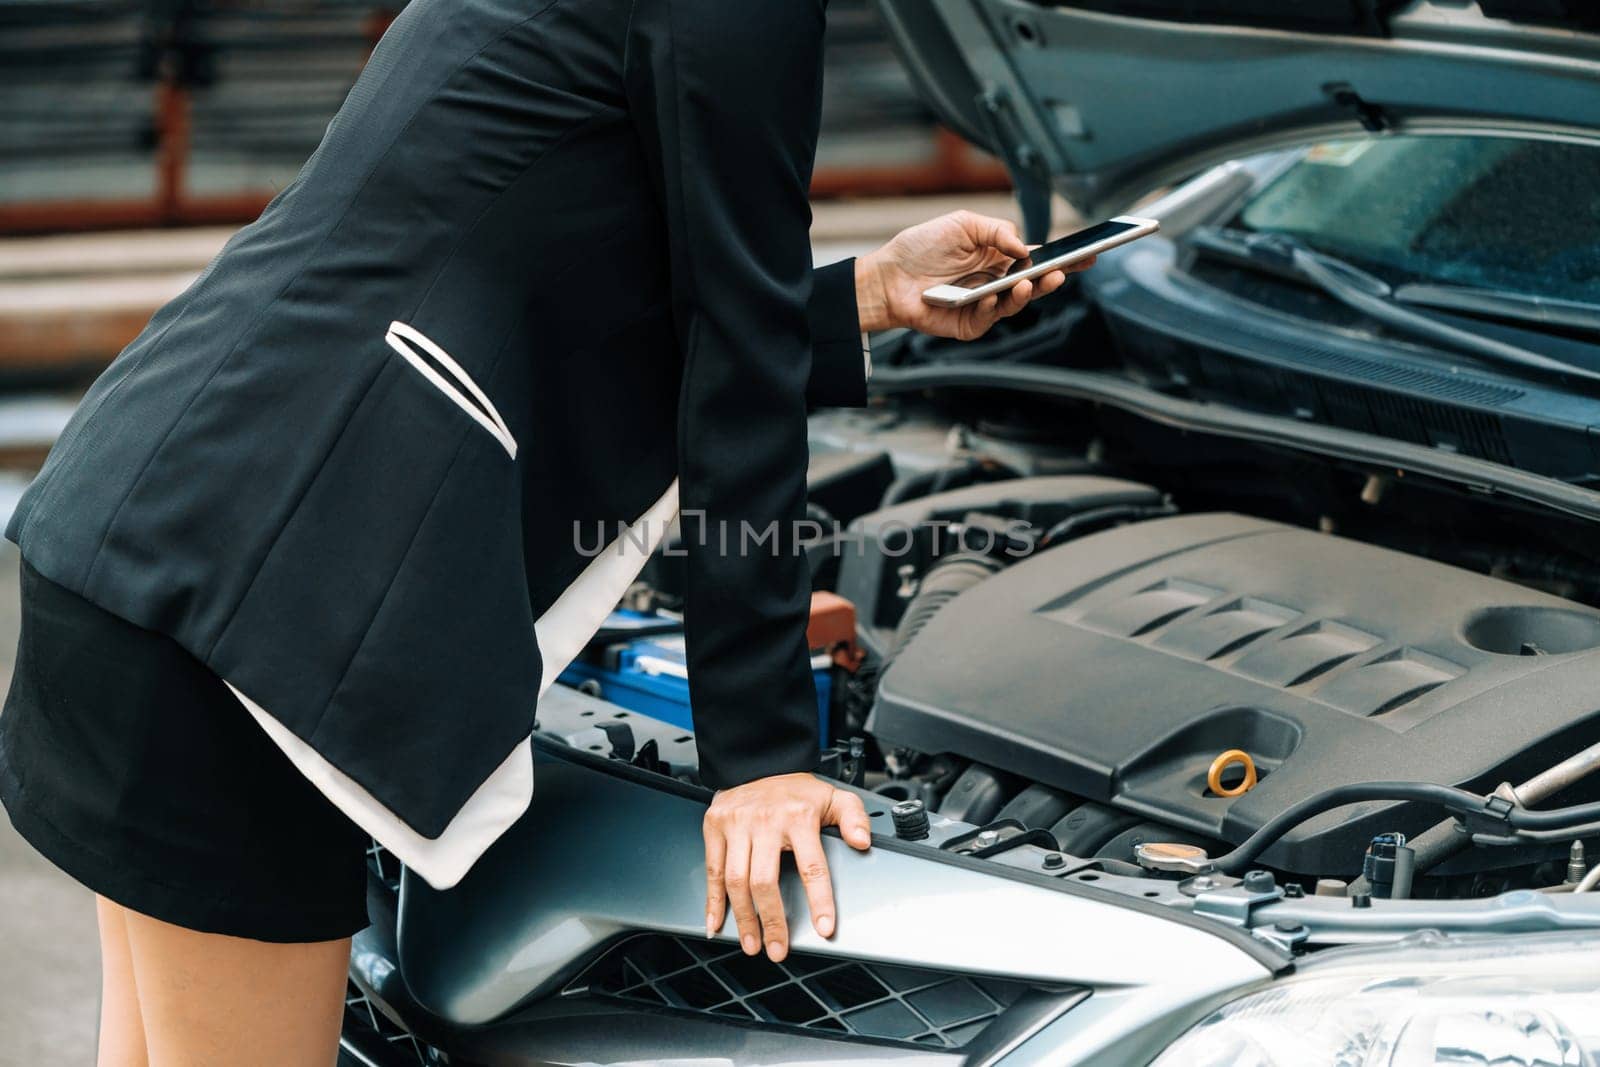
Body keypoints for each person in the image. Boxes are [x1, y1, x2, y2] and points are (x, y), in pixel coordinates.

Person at [0, 0, 1087, 1062]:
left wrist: (872, 291)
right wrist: (760, 760)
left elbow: (530, 253)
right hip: (249, 613)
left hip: (153, 520)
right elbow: (737, 381)